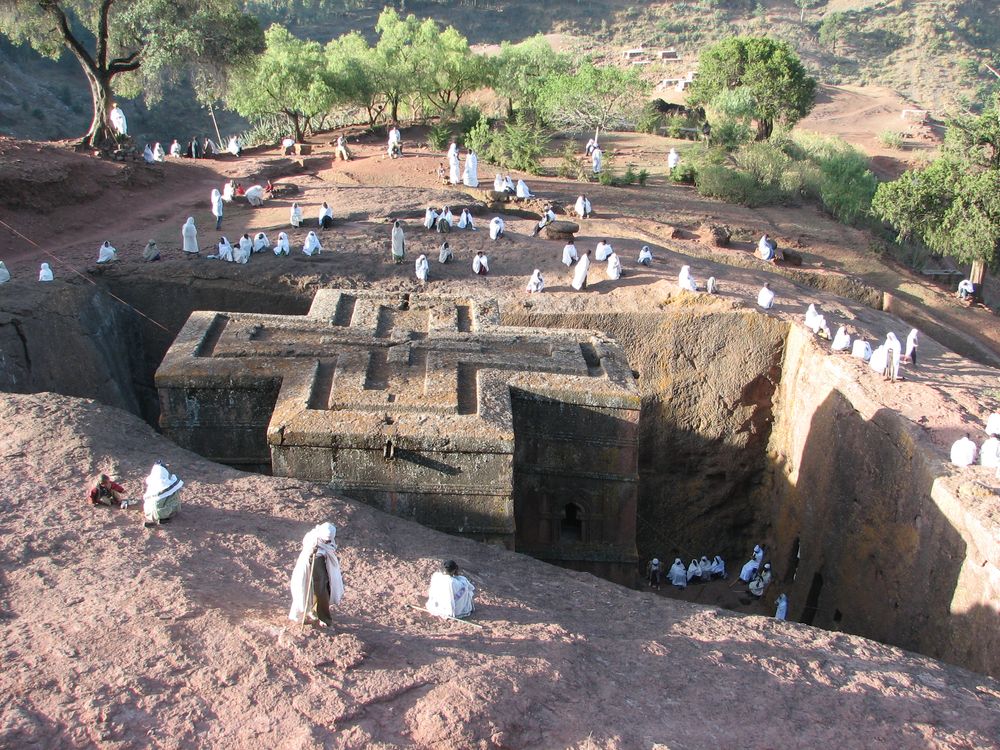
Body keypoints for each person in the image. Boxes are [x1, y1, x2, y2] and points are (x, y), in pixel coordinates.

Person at [288, 522, 344, 627]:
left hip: (323, 568)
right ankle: (299, 616)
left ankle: (319, 614)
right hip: (309, 567)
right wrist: (315, 552)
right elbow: (308, 549)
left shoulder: (327, 540)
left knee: (322, 591)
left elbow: (330, 548)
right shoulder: (312, 538)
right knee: (304, 591)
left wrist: (322, 553)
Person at [142, 461, 182, 526]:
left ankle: (158, 517)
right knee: (174, 493)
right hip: (161, 513)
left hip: (148, 513)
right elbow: (177, 482)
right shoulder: (166, 484)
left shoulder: (151, 482)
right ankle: (164, 516)